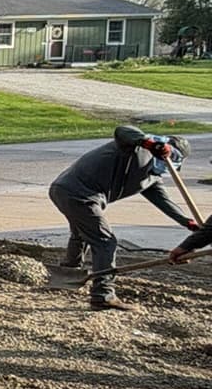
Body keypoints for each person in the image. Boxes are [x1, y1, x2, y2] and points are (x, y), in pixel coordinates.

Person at [48, 124, 198, 309]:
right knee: (105, 242)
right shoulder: (134, 148)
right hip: (78, 193)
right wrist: (149, 143)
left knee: (82, 234)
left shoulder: (150, 176)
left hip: (69, 192)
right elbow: (122, 130)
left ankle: (68, 273)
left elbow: (163, 201)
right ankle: (103, 295)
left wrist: (188, 222)